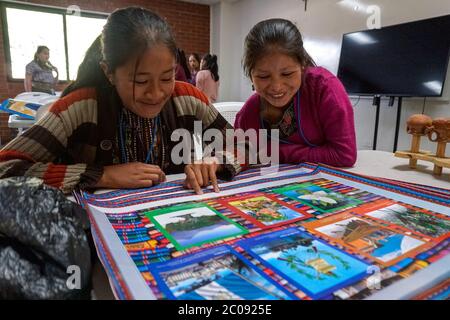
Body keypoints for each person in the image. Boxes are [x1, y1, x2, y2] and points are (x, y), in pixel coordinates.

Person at [0, 7, 244, 195]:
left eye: (167, 77)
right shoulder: (81, 108)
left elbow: (248, 146)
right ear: (109, 72)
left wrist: (216, 160)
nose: (157, 93)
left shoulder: (187, 98)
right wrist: (101, 175)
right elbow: (6, 167)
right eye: (140, 81)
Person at [234, 18, 356, 167]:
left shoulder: (324, 90)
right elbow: (236, 153)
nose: (277, 87)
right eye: (264, 76)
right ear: (251, 76)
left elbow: (344, 154)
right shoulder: (250, 111)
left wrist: (278, 152)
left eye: (287, 74)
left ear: (302, 65)